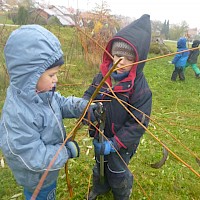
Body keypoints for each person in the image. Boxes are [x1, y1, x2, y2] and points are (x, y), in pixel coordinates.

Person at [0, 25, 97, 199]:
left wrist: (82, 107)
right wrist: (65, 152)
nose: (56, 79)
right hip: (37, 178)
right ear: (30, 76)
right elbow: (31, 157)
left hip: (49, 171)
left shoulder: (42, 93)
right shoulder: (17, 115)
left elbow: (60, 103)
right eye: (52, 75)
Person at [83, 14, 152, 200]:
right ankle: (100, 186)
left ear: (137, 61)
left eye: (126, 58)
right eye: (116, 55)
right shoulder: (102, 77)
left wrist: (115, 143)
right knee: (100, 163)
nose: (119, 62)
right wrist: (87, 110)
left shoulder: (140, 89)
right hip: (100, 132)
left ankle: (122, 192)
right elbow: (89, 94)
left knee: (116, 169)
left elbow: (139, 122)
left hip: (121, 143)